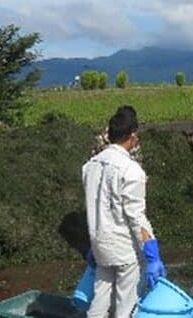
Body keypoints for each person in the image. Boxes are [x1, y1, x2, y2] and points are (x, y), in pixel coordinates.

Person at [82, 105, 166, 318]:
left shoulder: (90, 166)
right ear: (132, 136)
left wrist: (95, 244)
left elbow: (96, 204)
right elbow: (136, 216)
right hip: (124, 248)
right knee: (126, 304)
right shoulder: (131, 170)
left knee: (100, 297)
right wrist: (151, 252)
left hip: (99, 242)